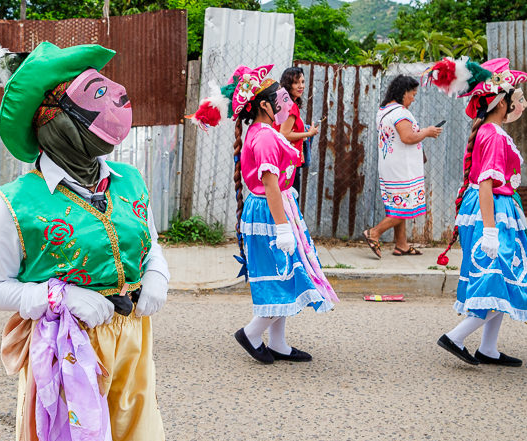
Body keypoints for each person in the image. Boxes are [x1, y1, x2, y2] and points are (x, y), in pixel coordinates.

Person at [0, 40, 171, 441]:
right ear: (55, 118)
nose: (116, 103)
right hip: (64, 345)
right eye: (93, 95)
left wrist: (158, 275)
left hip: (133, 338)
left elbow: (150, 243)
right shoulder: (16, 203)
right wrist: (59, 298)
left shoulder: (130, 179)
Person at [188, 64, 338, 365]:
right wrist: (283, 227)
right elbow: (270, 182)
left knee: (284, 273)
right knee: (282, 276)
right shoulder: (266, 137)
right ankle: (251, 333)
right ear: (264, 105)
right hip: (271, 211)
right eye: (277, 98)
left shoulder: (261, 131)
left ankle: (279, 343)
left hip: (276, 206)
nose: (283, 103)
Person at [427, 57, 527, 366]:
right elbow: (485, 184)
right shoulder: (493, 136)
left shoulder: (490, 132)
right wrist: (491, 232)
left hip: (494, 209)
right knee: (500, 276)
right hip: (490, 211)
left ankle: (488, 349)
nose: (519, 104)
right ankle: (455, 337)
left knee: (498, 280)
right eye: (515, 98)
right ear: (500, 103)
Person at [363, 75, 442, 258]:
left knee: (398, 204)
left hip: (390, 165)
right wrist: (427, 132)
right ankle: (374, 233)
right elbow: (407, 137)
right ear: (403, 92)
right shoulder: (400, 112)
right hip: (402, 167)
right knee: (406, 207)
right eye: (412, 94)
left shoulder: (383, 110)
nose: (413, 98)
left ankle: (402, 245)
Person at [276, 66, 318, 199]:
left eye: (303, 82)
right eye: (296, 82)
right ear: (288, 84)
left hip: (281, 158)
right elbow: (284, 134)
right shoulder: (291, 106)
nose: (301, 86)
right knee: (290, 201)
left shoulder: (283, 102)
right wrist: (308, 134)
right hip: (288, 161)